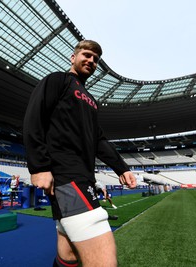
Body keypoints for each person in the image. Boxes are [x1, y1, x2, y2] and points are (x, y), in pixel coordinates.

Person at [23, 40, 137, 267]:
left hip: (83, 176)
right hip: (66, 175)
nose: (91, 61)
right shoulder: (58, 80)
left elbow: (98, 140)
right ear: (72, 57)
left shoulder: (91, 101)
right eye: (86, 55)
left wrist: (121, 167)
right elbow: (33, 117)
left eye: (96, 59)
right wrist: (39, 166)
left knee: (68, 255)